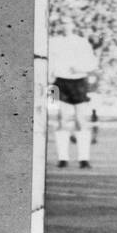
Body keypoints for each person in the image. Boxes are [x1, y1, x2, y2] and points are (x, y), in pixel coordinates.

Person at [48, 16, 98, 169]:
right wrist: (50, 76)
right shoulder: (54, 41)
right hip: (60, 82)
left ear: (73, 25)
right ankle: (63, 158)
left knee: (81, 119)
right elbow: (49, 61)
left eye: (68, 23)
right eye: (62, 23)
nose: (65, 26)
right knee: (62, 118)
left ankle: (84, 159)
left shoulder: (81, 42)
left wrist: (80, 68)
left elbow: (92, 63)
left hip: (79, 81)